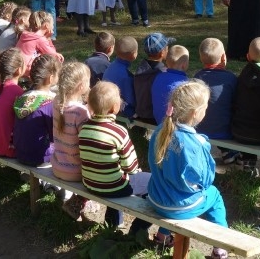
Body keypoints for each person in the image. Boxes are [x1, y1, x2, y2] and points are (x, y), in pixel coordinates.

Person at [79, 81, 171, 242]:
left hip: (90, 183)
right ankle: (138, 228)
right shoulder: (119, 132)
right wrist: (133, 170)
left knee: (113, 178)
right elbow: (131, 167)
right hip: (115, 187)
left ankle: (113, 224)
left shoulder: (84, 128)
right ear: (115, 107)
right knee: (156, 183)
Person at [147, 80, 229, 256]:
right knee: (214, 195)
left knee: (169, 187)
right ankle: (220, 246)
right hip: (179, 208)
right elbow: (206, 180)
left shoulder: (160, 130)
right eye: (206, 107)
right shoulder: (197, 143)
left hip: (156, 198)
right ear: (195, 113)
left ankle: (162, 236)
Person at [52, 61, 100, 221]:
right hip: (75, 171)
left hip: (57, 165)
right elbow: (89, 143)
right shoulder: (81, 113)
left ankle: (77, 201)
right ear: (81, 86)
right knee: (102, 168)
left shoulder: (56, 101)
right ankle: (78, 202)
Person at [231, 37, 260, 177]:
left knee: (248, 114)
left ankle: (248, 162)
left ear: (247, 57)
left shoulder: (241, 77)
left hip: (239, 132)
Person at [192, 38, 238, 166]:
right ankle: (229, 152)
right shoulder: (231, 78)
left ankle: (221, 152)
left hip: (200, 128)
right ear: (224, 57)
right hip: (226, 132)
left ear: (201, 58)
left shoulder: (197, 78)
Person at [13, 54, 62, 166]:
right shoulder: (50, 103)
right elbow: (55, 134)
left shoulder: (22, 98)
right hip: (40, 156)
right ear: (51, 78)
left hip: (20, 153)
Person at [133, 32, 172, 124]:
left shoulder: (140, 69)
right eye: (167, 48)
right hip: (155, 118)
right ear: (162, 53)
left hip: (141, 113)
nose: (168, 49)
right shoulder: (163, 74)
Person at [101, 36, 138, 118]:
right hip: (119, 112)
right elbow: (131, 101)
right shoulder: (127, 76)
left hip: (105, 103)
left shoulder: (110, 66)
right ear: (134, 55)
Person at [151, 45, 190, 121]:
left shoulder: (158, 76)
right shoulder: (185, 83)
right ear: (184, 65)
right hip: (174, 123)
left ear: (166, 62)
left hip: (158, 119)